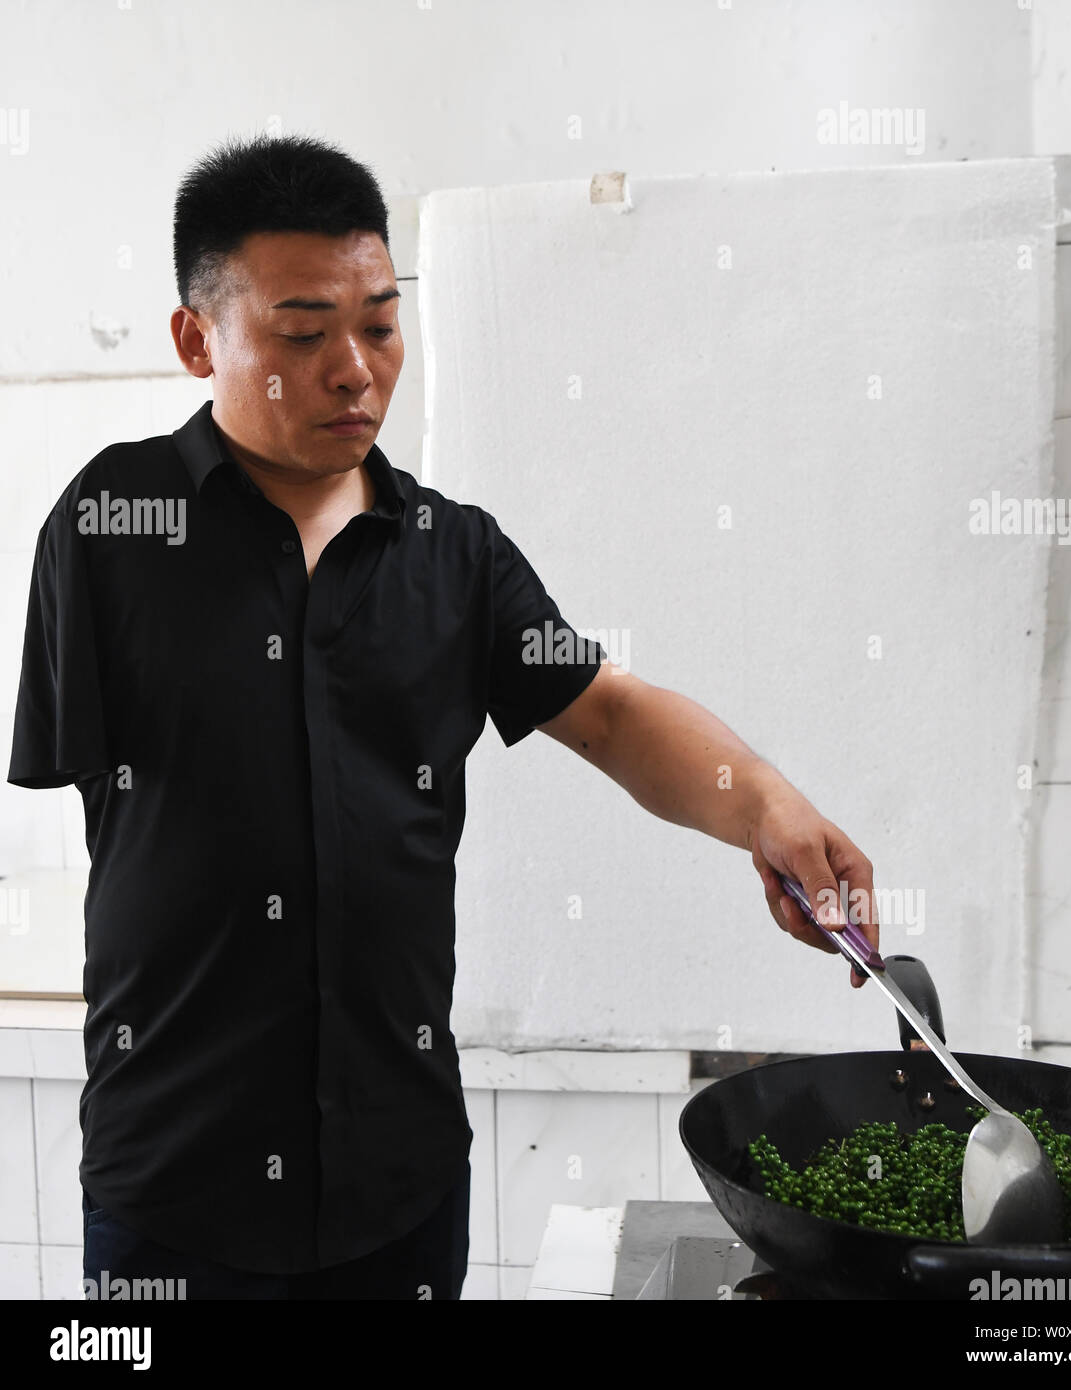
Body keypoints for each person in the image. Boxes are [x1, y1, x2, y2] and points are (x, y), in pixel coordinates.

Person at [6, 133, 880, 1300]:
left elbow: (610, 713)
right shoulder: (109, 528)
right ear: (194, 338)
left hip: (397, 1182)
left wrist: (764, 803)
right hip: (171, 1185)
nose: (355, 368)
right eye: (302, 334)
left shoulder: (453, 555)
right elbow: (126, 834)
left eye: (378, 322)